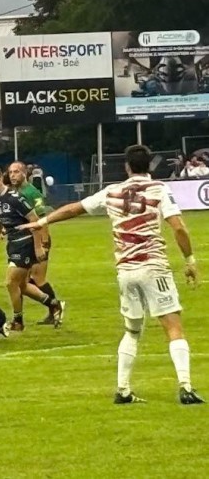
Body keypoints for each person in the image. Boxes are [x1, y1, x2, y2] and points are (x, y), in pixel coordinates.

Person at [19, 144, 203, 405]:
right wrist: (190, 260)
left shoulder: (112, 191)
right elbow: (179, 228)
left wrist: (41, 222)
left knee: (132, 330)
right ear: (150, 165)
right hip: (153, 266)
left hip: (125, 271)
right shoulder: (158, 189)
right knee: (173, 326)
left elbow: (74, 208)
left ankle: (123, 389)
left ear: (127, 166)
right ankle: (185, 386)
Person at [0, 166, 63, 331]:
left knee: (10, 283)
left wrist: (38, 246)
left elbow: (35, 220)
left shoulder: (15, 198)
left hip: (25, 242)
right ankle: (54, 304)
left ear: (0, 179)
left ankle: (18, 322)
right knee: (22, 286)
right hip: (13, 243)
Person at [8, 161, 66, 325]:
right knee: (23, 282)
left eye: (16, 172)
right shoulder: (15, 192)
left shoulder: (32, 192)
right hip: (26, 241)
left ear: (25, 173)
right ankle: (53, 307)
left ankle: (55, 308)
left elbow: (42, 218)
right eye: (10, 172)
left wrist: (44, 242)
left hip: (38, 239)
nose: (13, 175)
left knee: (37, 279)